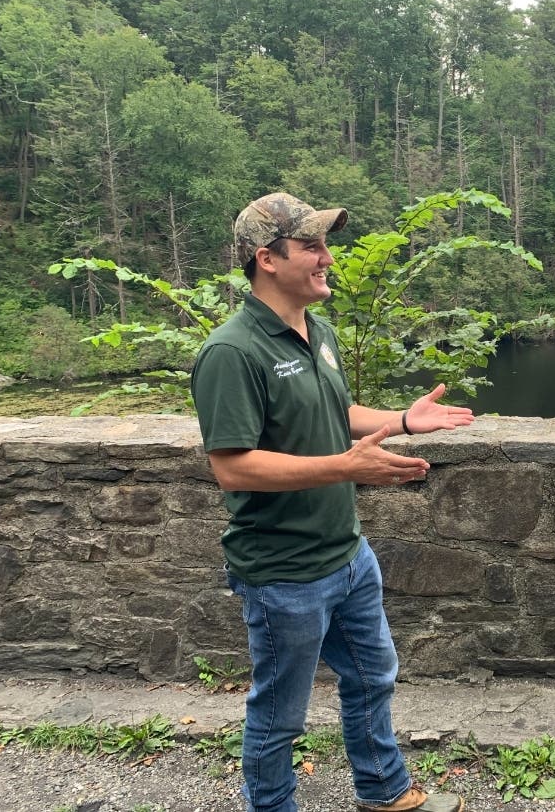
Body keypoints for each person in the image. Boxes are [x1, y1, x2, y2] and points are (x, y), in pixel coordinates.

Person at [191, 192, 475, 812]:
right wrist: (345, 467)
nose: (328, 258)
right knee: (280, 714)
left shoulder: (316, 331)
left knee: (373, 677)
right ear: (267, 259)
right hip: (284, 571)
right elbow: (232, 467)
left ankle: (383, 790)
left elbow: (335, 413)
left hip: (347, 554)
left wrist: (403, 420)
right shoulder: (232, 352)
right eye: (312, 246)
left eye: (326, 245)